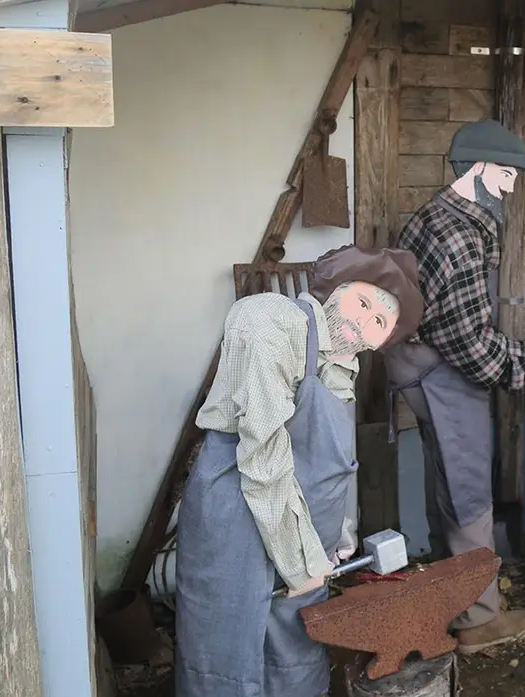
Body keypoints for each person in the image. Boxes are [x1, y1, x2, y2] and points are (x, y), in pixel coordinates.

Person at [175, 245, 422, 697]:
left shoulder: (341, 365)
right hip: (238, 512)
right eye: (362, 303)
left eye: (378, 324)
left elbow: (325, 463)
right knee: (229, 650)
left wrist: (335, 530)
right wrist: (301, 561)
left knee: (295, 650)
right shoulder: (272, 321)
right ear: (336, 289)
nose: (362, 324)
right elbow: (263, 455)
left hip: (297, 526)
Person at [384, 119, 525, 655]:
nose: (509, 187)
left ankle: (450, 595)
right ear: (478, 169)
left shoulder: (437, 213)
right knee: (467, 491)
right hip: (439, 369)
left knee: (447, 480)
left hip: (413, 362)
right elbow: (471, 348)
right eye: (506, 175)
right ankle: (477, 621)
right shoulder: (459, 235)